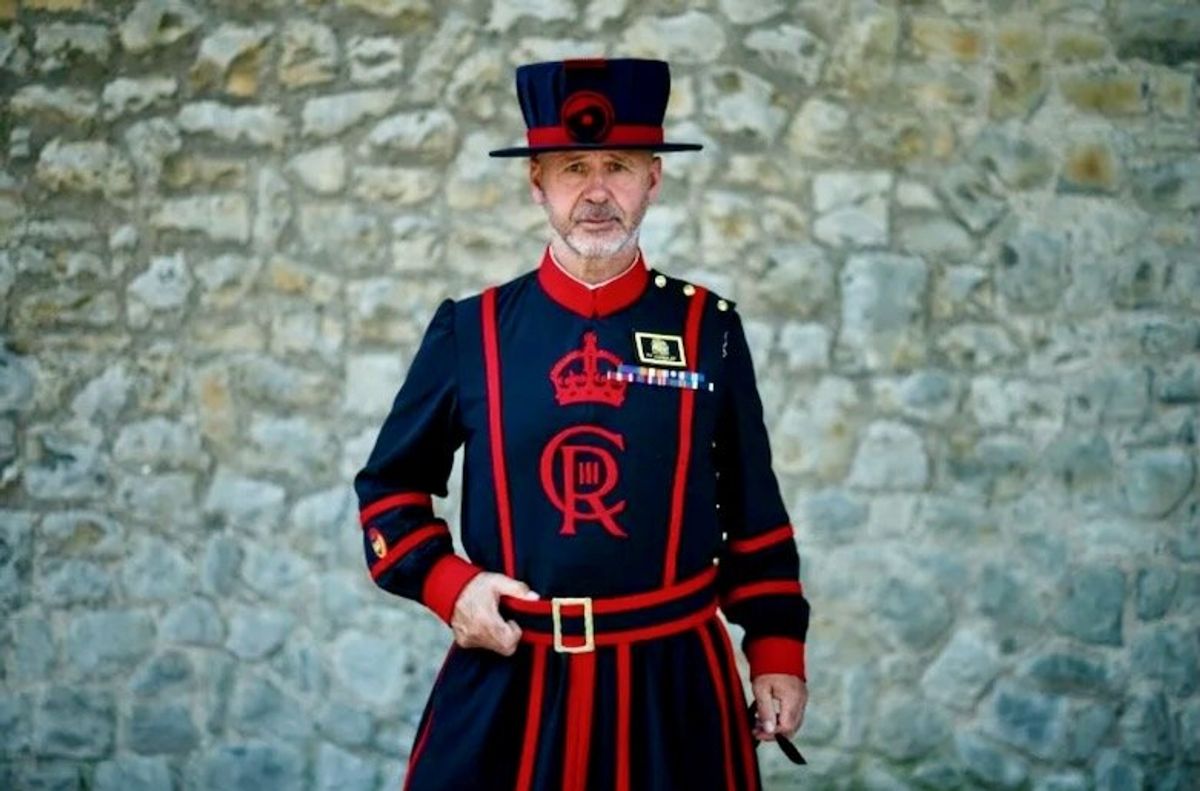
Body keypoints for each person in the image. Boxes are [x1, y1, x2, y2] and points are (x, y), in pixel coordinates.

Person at [353, 57, 810, 791]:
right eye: (572, 167)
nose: (597, 191)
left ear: (653, 178)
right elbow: (389, 489)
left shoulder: (707, 327)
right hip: (513, 680)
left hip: (676, 688)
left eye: (619, 165)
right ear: (538, 183)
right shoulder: (471, 332)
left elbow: (752, 511)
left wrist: (778, 648)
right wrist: (450, 586)